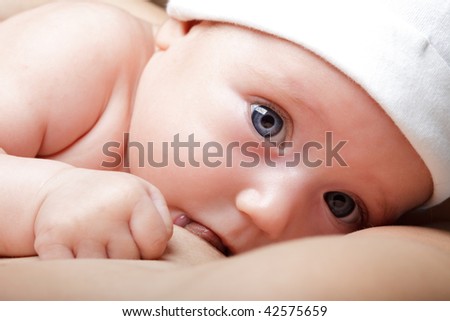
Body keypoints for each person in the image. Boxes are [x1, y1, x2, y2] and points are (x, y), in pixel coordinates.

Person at [0, 0, 449, 300]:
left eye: (342, 204)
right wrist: (45, 196)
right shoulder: (82, 51)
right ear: (186, 28)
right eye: (267, 122)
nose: (270, 211)